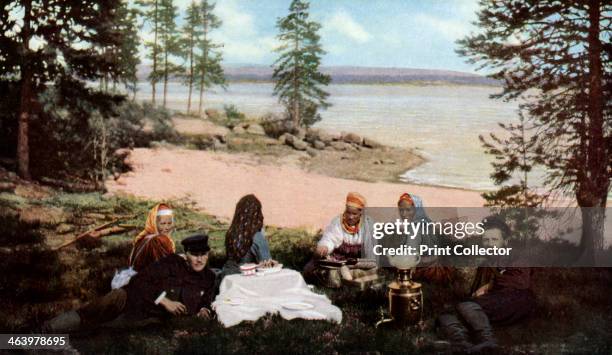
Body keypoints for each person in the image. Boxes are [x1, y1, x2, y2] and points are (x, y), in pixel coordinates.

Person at [44, 234, 217, 332]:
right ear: (186, 254)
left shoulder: (208, 277)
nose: (199, 259)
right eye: (195, 254)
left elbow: (208, 298)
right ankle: (42, 333)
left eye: (204, 254)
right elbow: (139, 280)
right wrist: (165, 301)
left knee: (100, 330)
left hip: (148, 318)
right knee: (95, 311)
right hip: (130, 300)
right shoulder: (170, 262)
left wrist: (204, 309)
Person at [437, 217, 535, 353]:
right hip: (490, 304)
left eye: (494, 240)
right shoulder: (484, 265)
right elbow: (476, 293)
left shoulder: (515, 257)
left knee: (466, 306)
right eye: (486, 240)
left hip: (516, 300)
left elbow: (520, 282)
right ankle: (462, 344)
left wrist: (489, 286)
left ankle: (488, 341)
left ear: (505, 241)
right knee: (447, 313)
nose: (489, 244)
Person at [304, 192, 378, 284]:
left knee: (373, 269)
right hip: (338, 261)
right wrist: (324, 247)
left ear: (361, 213)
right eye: (348, 212)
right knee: (314, 270)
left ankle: (346, 277)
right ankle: (345, 277)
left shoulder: (368, 224)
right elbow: (330, 238)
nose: (350, 217)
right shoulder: (338, 222)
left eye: (354, 214)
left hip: (357, 263)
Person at [221, 194, 277, 276]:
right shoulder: (257, 237)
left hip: (226, 279)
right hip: (245, 282)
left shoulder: (230, 234)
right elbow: (267, 267)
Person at [129, 203, 176, 272]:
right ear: (154, 223)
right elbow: (166, 268)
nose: (167, 227)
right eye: (162, 223)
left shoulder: (143, 238)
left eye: (169, 223)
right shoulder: (158, 240)